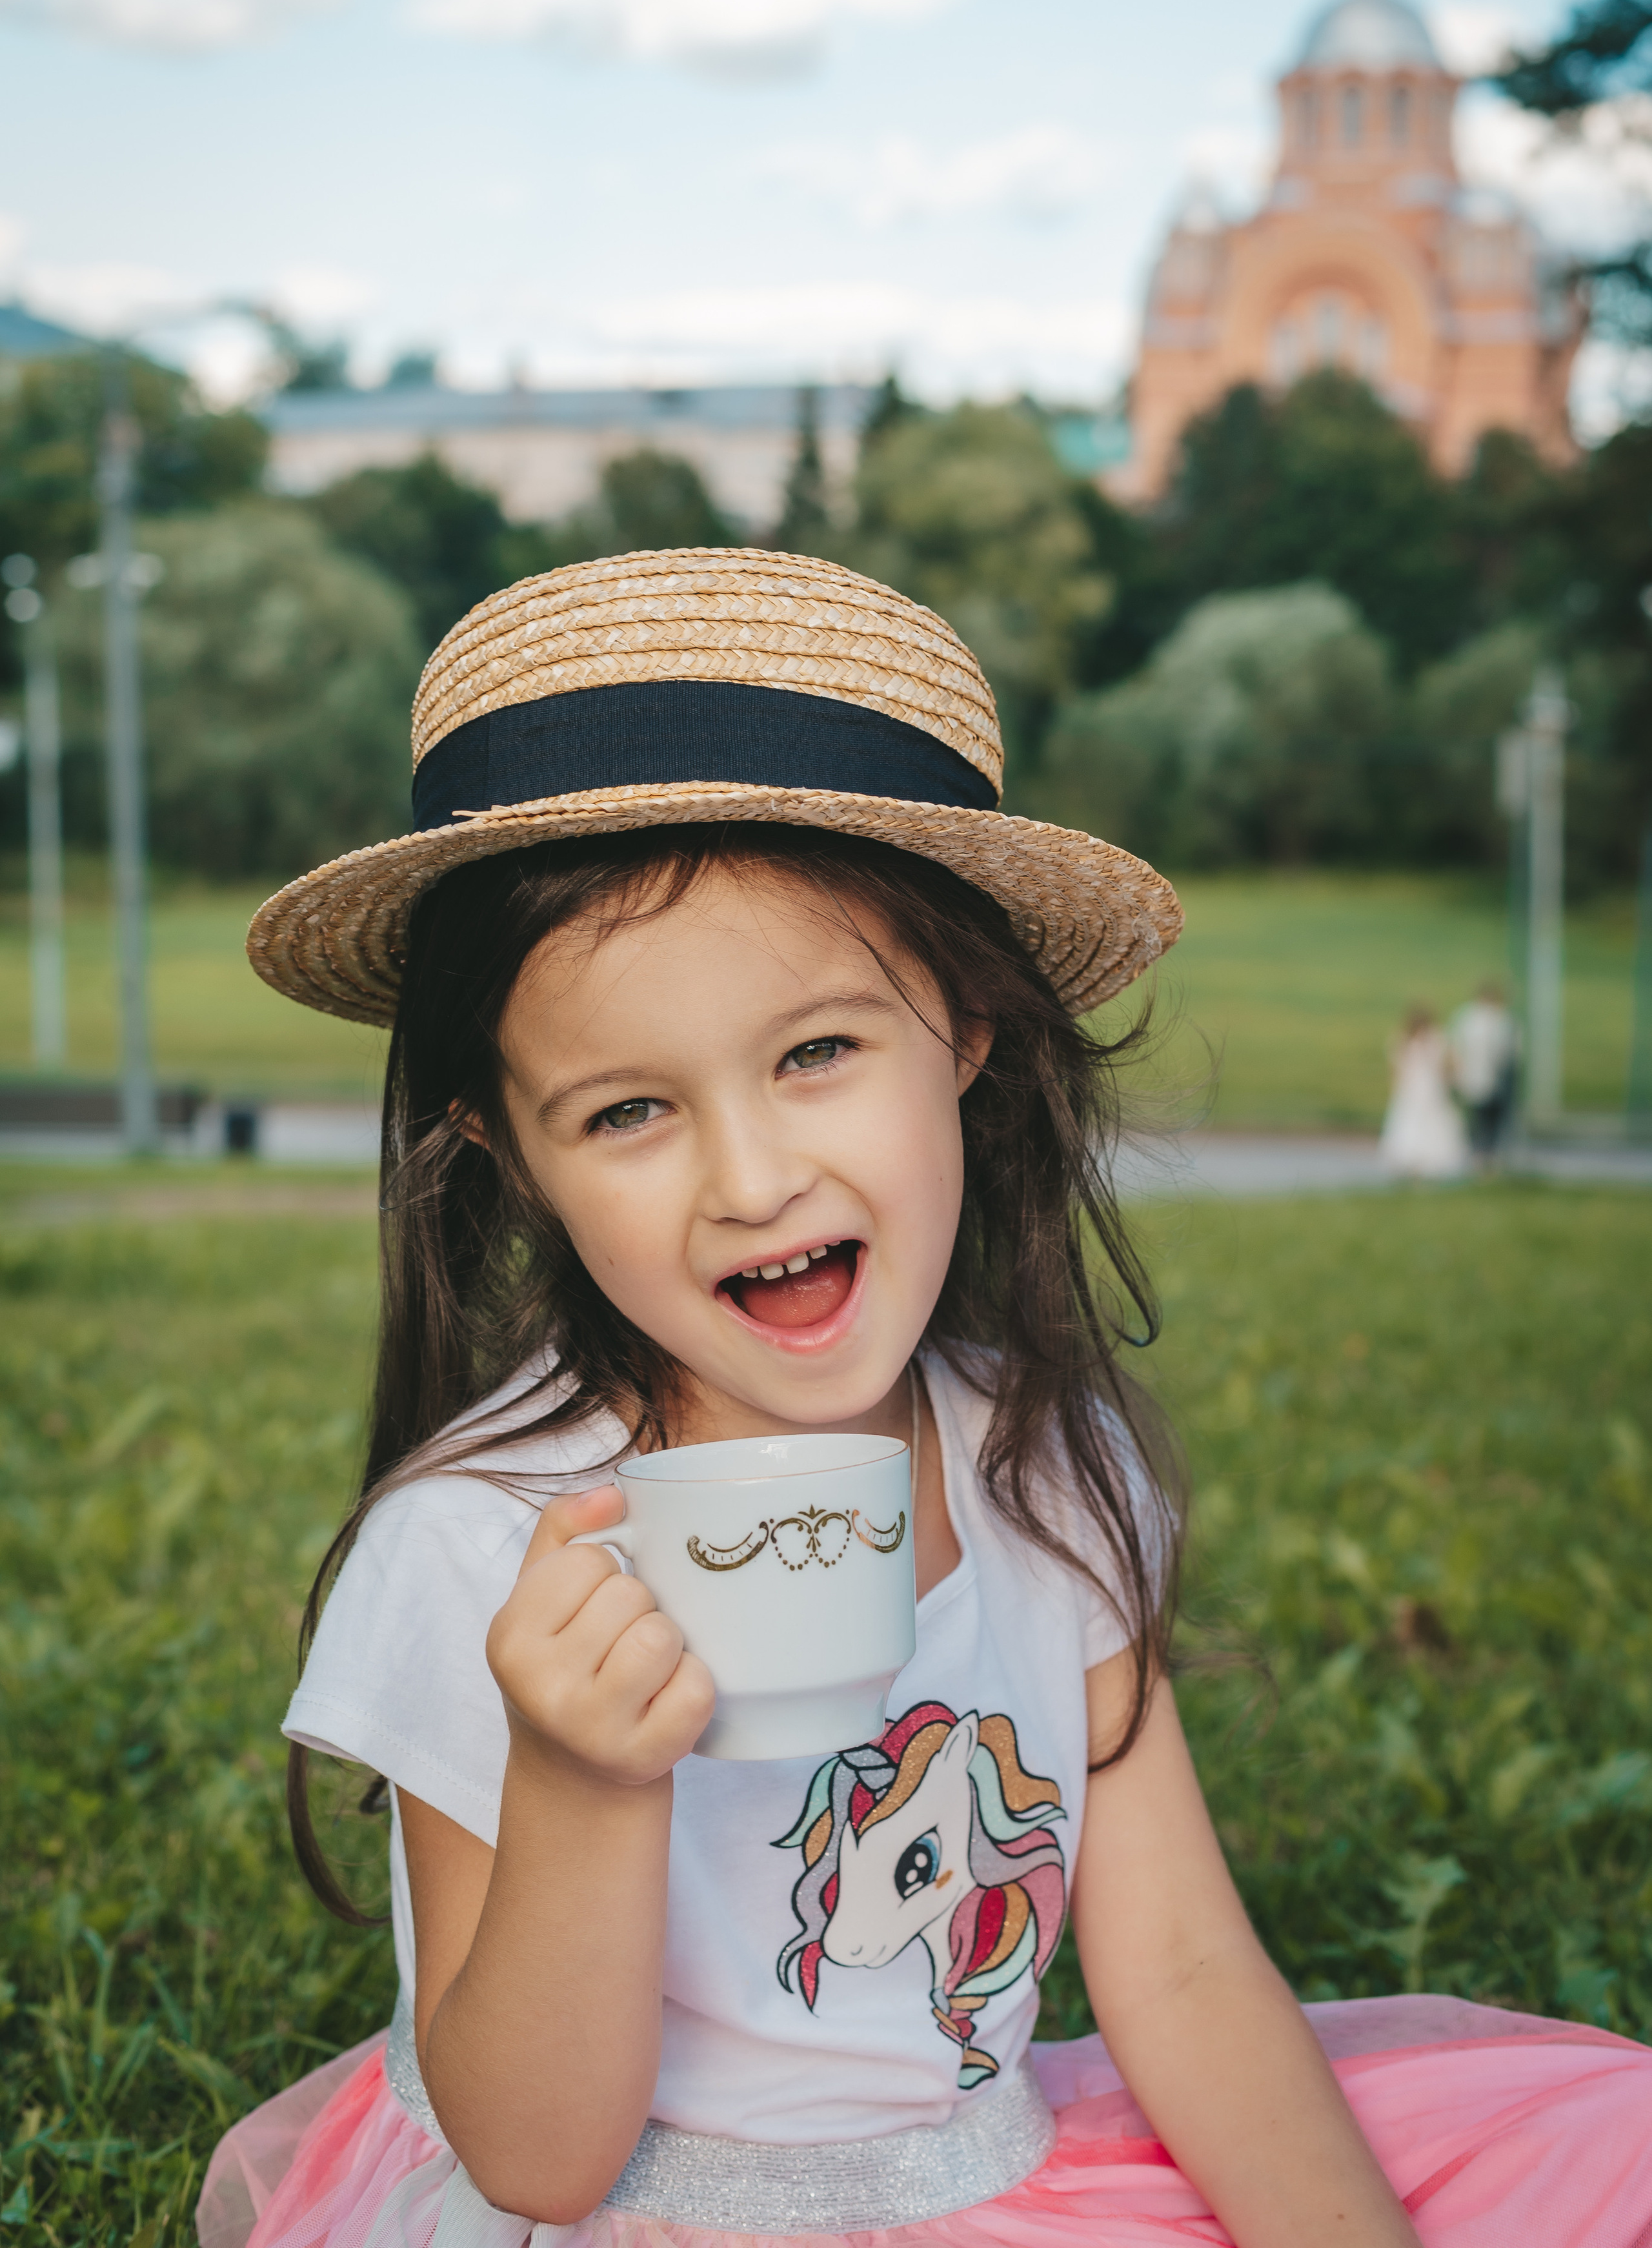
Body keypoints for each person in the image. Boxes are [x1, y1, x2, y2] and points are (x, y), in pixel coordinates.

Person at [199, 551, 1652, 2248]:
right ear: (504, 1152)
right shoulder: (481, 1548)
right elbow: (538, 2156)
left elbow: (1177, 1967)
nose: (751, 1179)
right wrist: (583, 1785)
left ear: (966, 1028)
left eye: (817, 1053)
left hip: (1003, 2182)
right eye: (625, 1113)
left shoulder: (1042, 1459)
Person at [1379, 1005, 1471, 1180]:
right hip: (1414, 1088)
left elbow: (1448, 1065)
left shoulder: (1435, 1040)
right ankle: (1411, 1160)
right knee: (1412, 1120)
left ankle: (1428, 1161)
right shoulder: (1405, 1041)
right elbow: (1398, 1069)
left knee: (1428, 1120)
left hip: (1429, 1088)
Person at [1450, 983, 1520, 1169]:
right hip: (1478, 1076)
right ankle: (1481, 1153)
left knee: (1489, 1116)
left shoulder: (1500, 1018)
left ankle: (1488, 1153)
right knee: (1480, 1116)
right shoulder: (1472, 1018)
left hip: (1492, 1077)